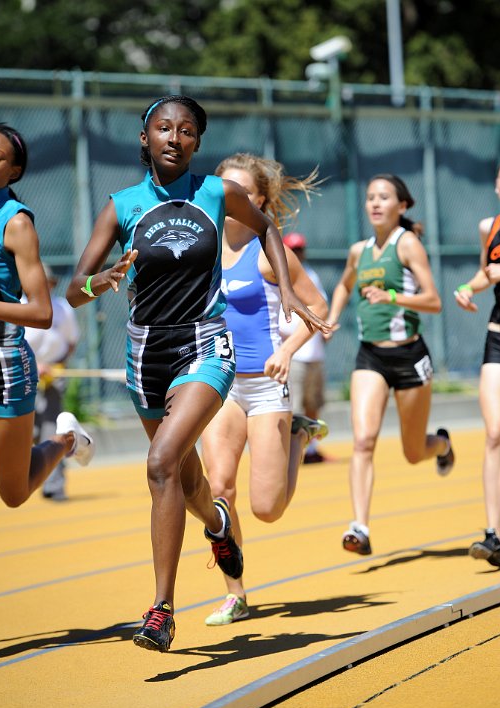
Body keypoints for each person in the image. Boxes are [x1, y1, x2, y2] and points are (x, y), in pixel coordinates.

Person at [65, 97, 328, 652]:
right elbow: (74, 290)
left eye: (187, 131)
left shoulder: (216, 193)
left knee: (160, 464)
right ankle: (217, 525)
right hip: (144, 356)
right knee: (184, 482)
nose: (174, 137)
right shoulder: (121, 206)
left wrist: (284, 290)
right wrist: (104, 278)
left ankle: (161, 610)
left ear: (196, 143)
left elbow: (267, 231)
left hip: (206, 347)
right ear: (145, 137)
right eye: (164, 128)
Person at [201, 153, 329, 626]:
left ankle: (297, 436)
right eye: (220, 190)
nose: (225, 199)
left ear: (257, 201)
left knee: (267, 508)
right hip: (218, 384)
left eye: (238, 192)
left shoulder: (267, 250)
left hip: (266, 385)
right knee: (219, 487)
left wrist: (289, 349)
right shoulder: (202, 248)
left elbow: (318, 308)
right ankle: (235, 592)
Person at [327, 173, 454, 556]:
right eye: (370, 197)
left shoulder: (408, 244)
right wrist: (333, 317)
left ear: (402, 205)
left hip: (410, 356)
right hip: (371, 356)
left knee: (413, 452)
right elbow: (345, 285)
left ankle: (443, 444)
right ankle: (359, 527)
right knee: (363, 441)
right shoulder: (358, 250)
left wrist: (392, 295)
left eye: (384, 197)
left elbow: (434, 301)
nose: (375, 203)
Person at [0, 123, 94, 510]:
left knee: (14, 492)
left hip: (5, 363)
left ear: (15, 171)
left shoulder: (16, 222)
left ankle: (68, 441)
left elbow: (42, 313)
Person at [454, 163, 500, 568]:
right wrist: (469, 287)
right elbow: (487, 272)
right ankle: (494, 534)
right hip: (498, 334)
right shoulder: (491, 225)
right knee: (495, 432)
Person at [25, 264, 80, 501]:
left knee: (51, 429)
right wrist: (34, 366)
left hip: (54, 377)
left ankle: (54, 485)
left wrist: (58, 365)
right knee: (31, 431)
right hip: (24, 376)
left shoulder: (62, 309)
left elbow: (70, 341)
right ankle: (32, 478)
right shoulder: (18, 307)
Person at [278, 231, 328, 463]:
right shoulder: (279, 277)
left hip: (315, 353)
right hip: (295, 353)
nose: (298, 253)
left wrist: (325, 329)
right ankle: (294, 453)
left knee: (312, 405)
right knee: (295, 407)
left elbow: (321, 307)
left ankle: (311, 449)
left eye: (300, 249)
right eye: (293, 249)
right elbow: (279, 321)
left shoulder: (311, 275)